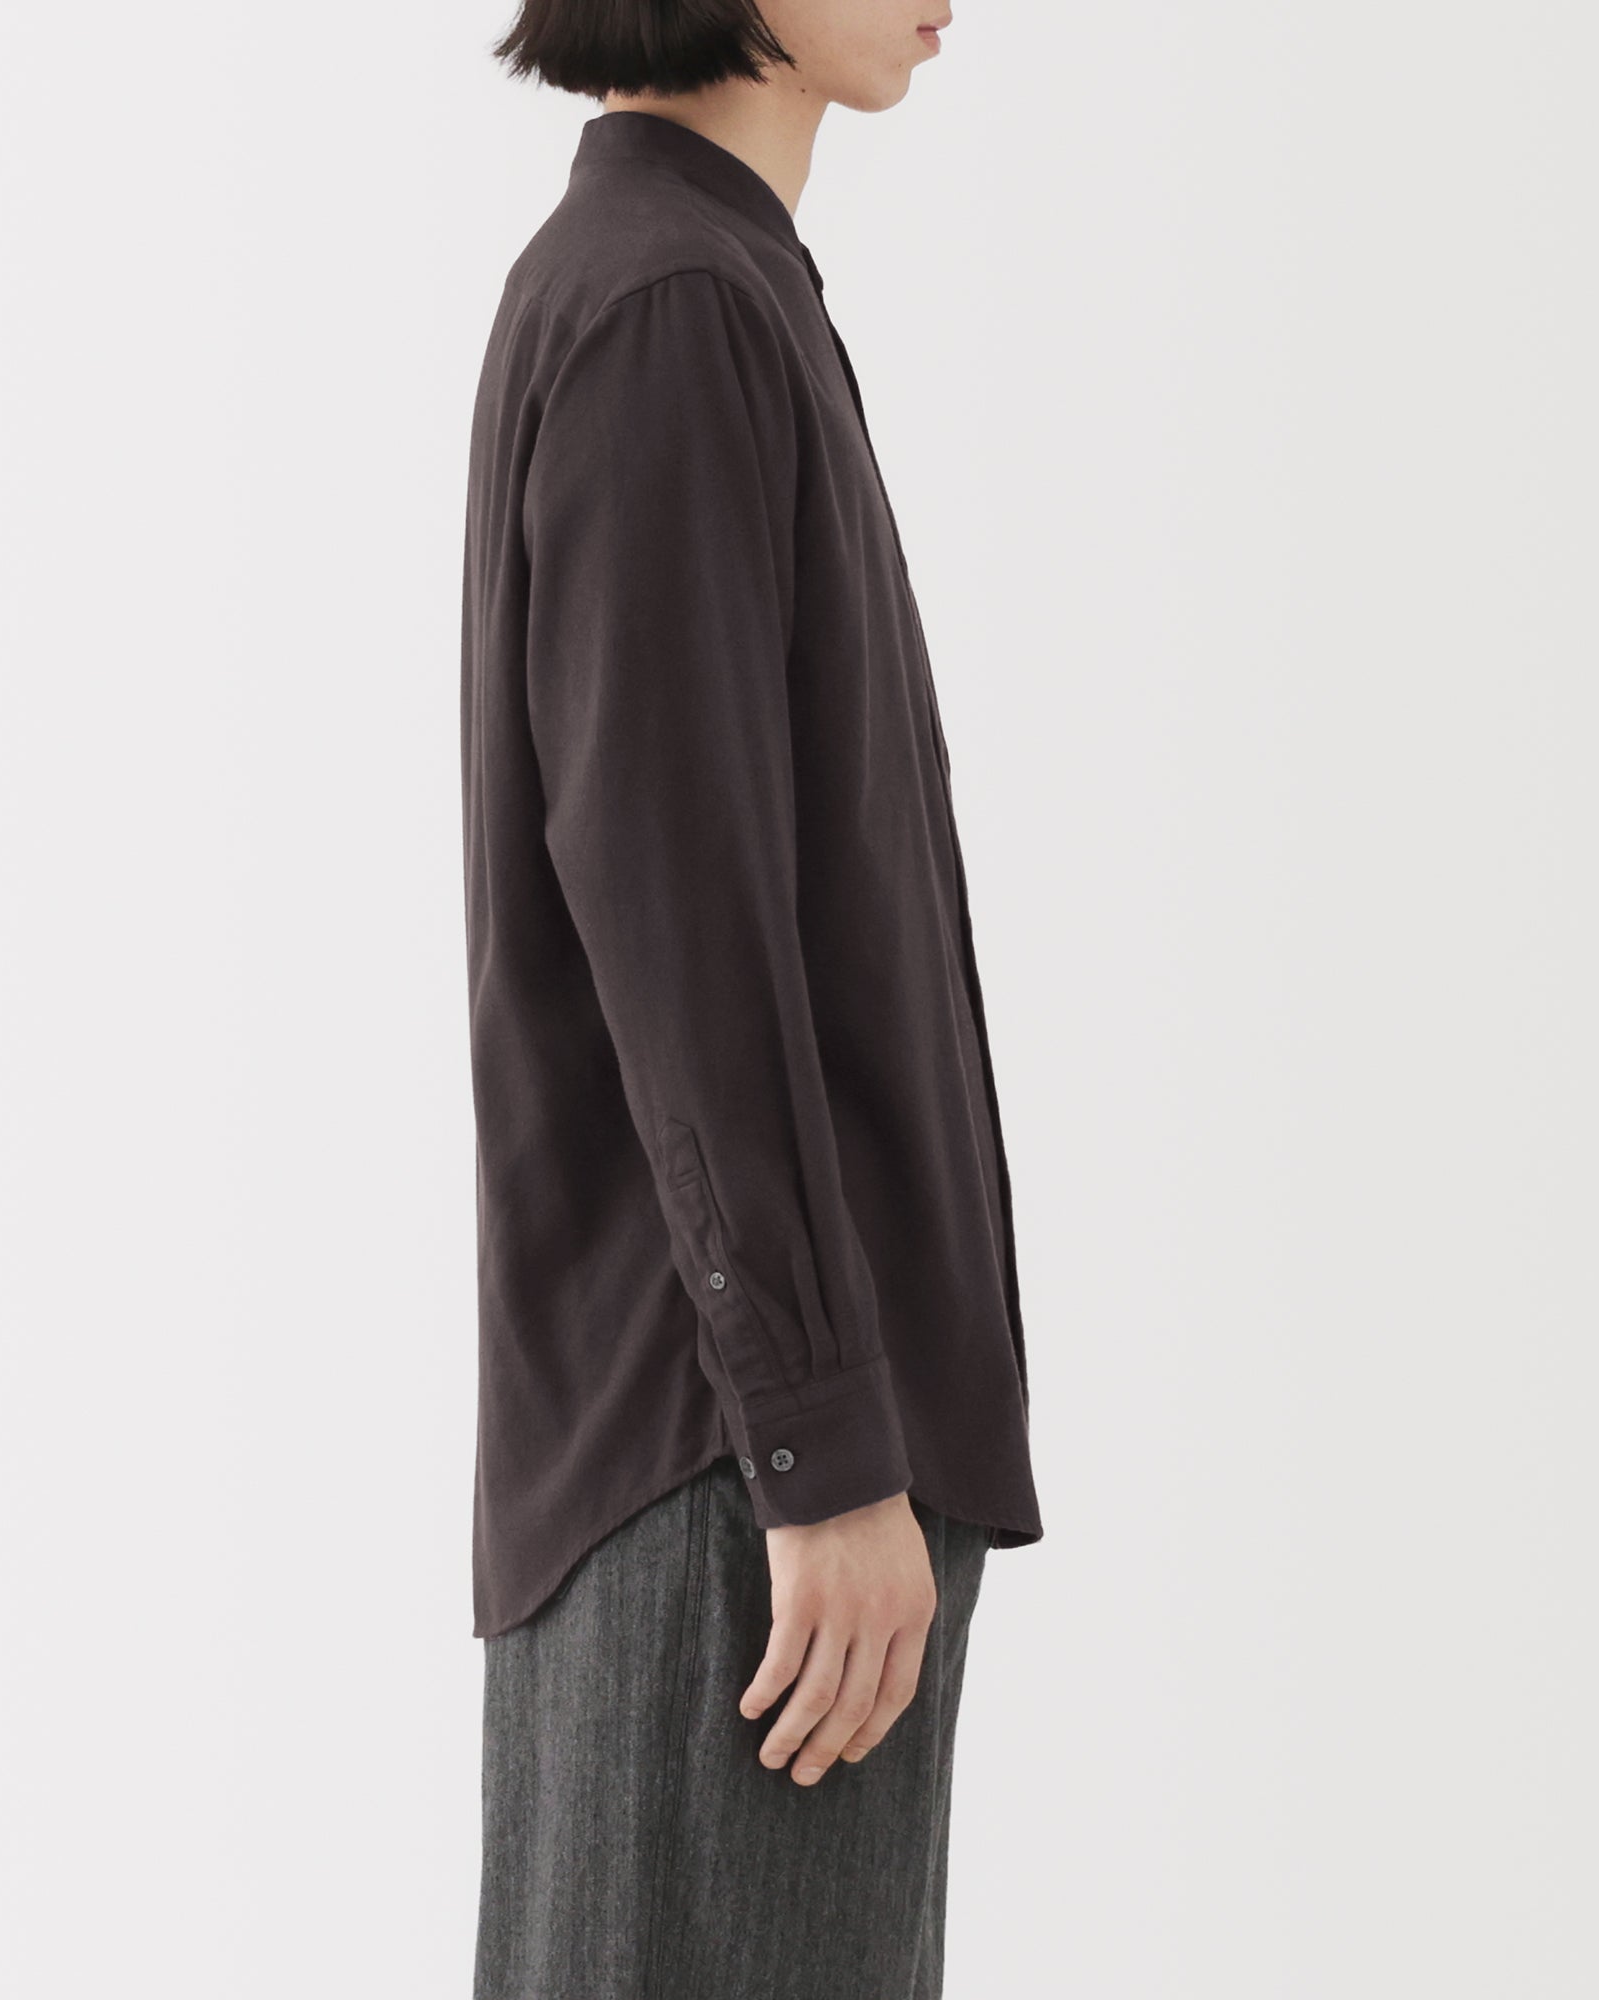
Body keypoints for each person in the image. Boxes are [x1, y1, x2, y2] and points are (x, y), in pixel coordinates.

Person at [458, 4, 1042, 1993]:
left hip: (747, 1457)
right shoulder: (669, 309)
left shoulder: (705, 286)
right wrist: (813, 1439)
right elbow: (678, 926)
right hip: (733, 1477)